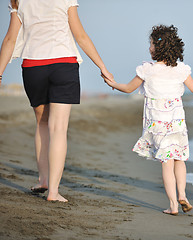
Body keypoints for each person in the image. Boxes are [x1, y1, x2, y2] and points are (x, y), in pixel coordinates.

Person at [103, 24, 193, 215]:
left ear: (157, 47)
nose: (149, 47)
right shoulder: (181, 69)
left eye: (150, 44)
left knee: (166, 162)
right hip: (177, 124)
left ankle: (173, 205)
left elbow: (128, 88)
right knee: (179, 159)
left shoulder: (147, 70)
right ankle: (183, 194)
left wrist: (112, 84)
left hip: (158, 124)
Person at [0, 0, 114, 202]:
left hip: (33, 67)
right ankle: (53, 192)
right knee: (58, 128)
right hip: (64, 65)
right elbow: (80, 36)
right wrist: (102, 66)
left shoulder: (20, 1)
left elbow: (10, 39)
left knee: (42, 123)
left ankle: (43, 180)